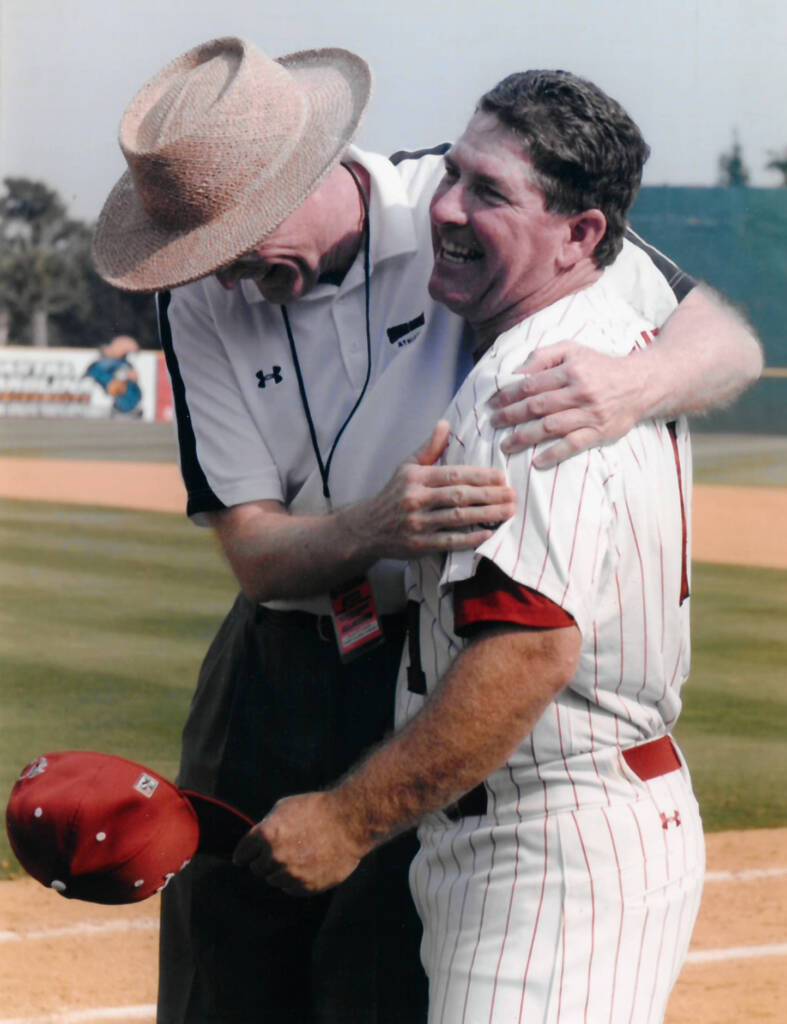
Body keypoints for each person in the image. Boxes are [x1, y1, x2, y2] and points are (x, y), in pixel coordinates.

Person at [92, 38, 760, 1024]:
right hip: (276, 659)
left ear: (306, 172)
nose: (221, 273)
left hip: (423, 660)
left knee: (388, 975)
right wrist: (378, 525)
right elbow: (253, 548)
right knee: (222, 972)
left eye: (230, 237)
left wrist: (629, 385)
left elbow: (727, 341)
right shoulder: (203, 295)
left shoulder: (464, 209)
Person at [234, 69, 707, 1024]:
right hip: (578, 821)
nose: (445, 207)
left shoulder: (536, 383)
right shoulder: (602, 348)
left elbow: (530, 646)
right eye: (451, 173)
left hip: (551, 845)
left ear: (582, 236)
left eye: (489, 192)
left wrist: (345, 819)